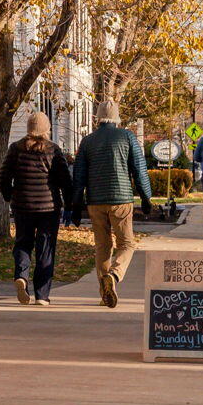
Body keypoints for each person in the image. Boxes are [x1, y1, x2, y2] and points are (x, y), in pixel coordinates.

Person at [74, 101, 155, 308]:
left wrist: (75, 205)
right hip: (121, 200)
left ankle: (104, 293)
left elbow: (79, 175)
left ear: (98, 118)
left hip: (95, 201)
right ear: (117, 117)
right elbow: (139, 169)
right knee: (126, 244)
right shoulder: (127, 137)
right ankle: (115, 274)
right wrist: (146, 198)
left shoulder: (87, 141)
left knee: (102, 246)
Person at [0, 111, 73, 305]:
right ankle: (42, 295)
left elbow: (4, 177)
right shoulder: (53, 150)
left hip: (22, 205)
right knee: (45, 248)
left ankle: (21, 275)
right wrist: (69, 204)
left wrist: (10, 196)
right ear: (46, 129)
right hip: (48, 208)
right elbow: (65, 181)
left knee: (23, 242)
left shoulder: (16, 148)